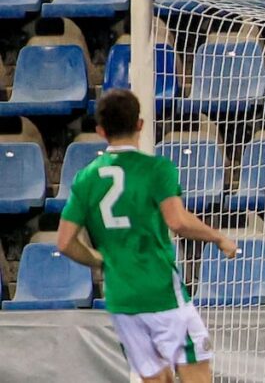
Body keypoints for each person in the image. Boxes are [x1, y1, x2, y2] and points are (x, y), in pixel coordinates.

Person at [56, 89, 238, 383]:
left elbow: (65, 243)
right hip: (162, 293)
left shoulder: (86, 178)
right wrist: (217, 237)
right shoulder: (156, 169)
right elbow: (177, 221)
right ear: (140, 124)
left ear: (101, 130)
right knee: (197, 374)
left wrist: (99, 260)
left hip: (122, 299)